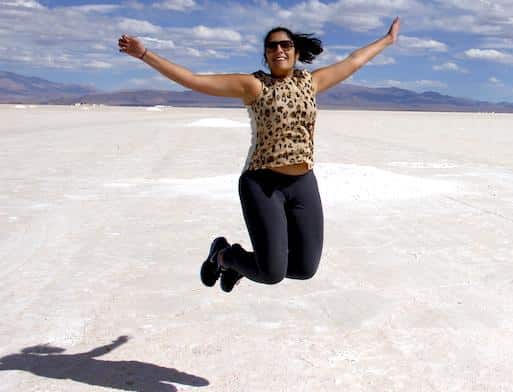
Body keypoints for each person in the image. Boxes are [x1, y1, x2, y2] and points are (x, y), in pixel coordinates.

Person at [117, 17, 400, 292]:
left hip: (303, 183)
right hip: (262, 183)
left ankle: (238, 264)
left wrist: (387, 40)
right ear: (266, 55)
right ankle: (224, 256)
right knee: (271, 273)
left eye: (286, 45)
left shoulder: (310, 82)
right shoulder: (254, 85)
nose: (279, 50)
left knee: (304, 268)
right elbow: (193, 80)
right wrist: (144, 54)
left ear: (296, 51)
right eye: (272, 46)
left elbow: (354, 61)